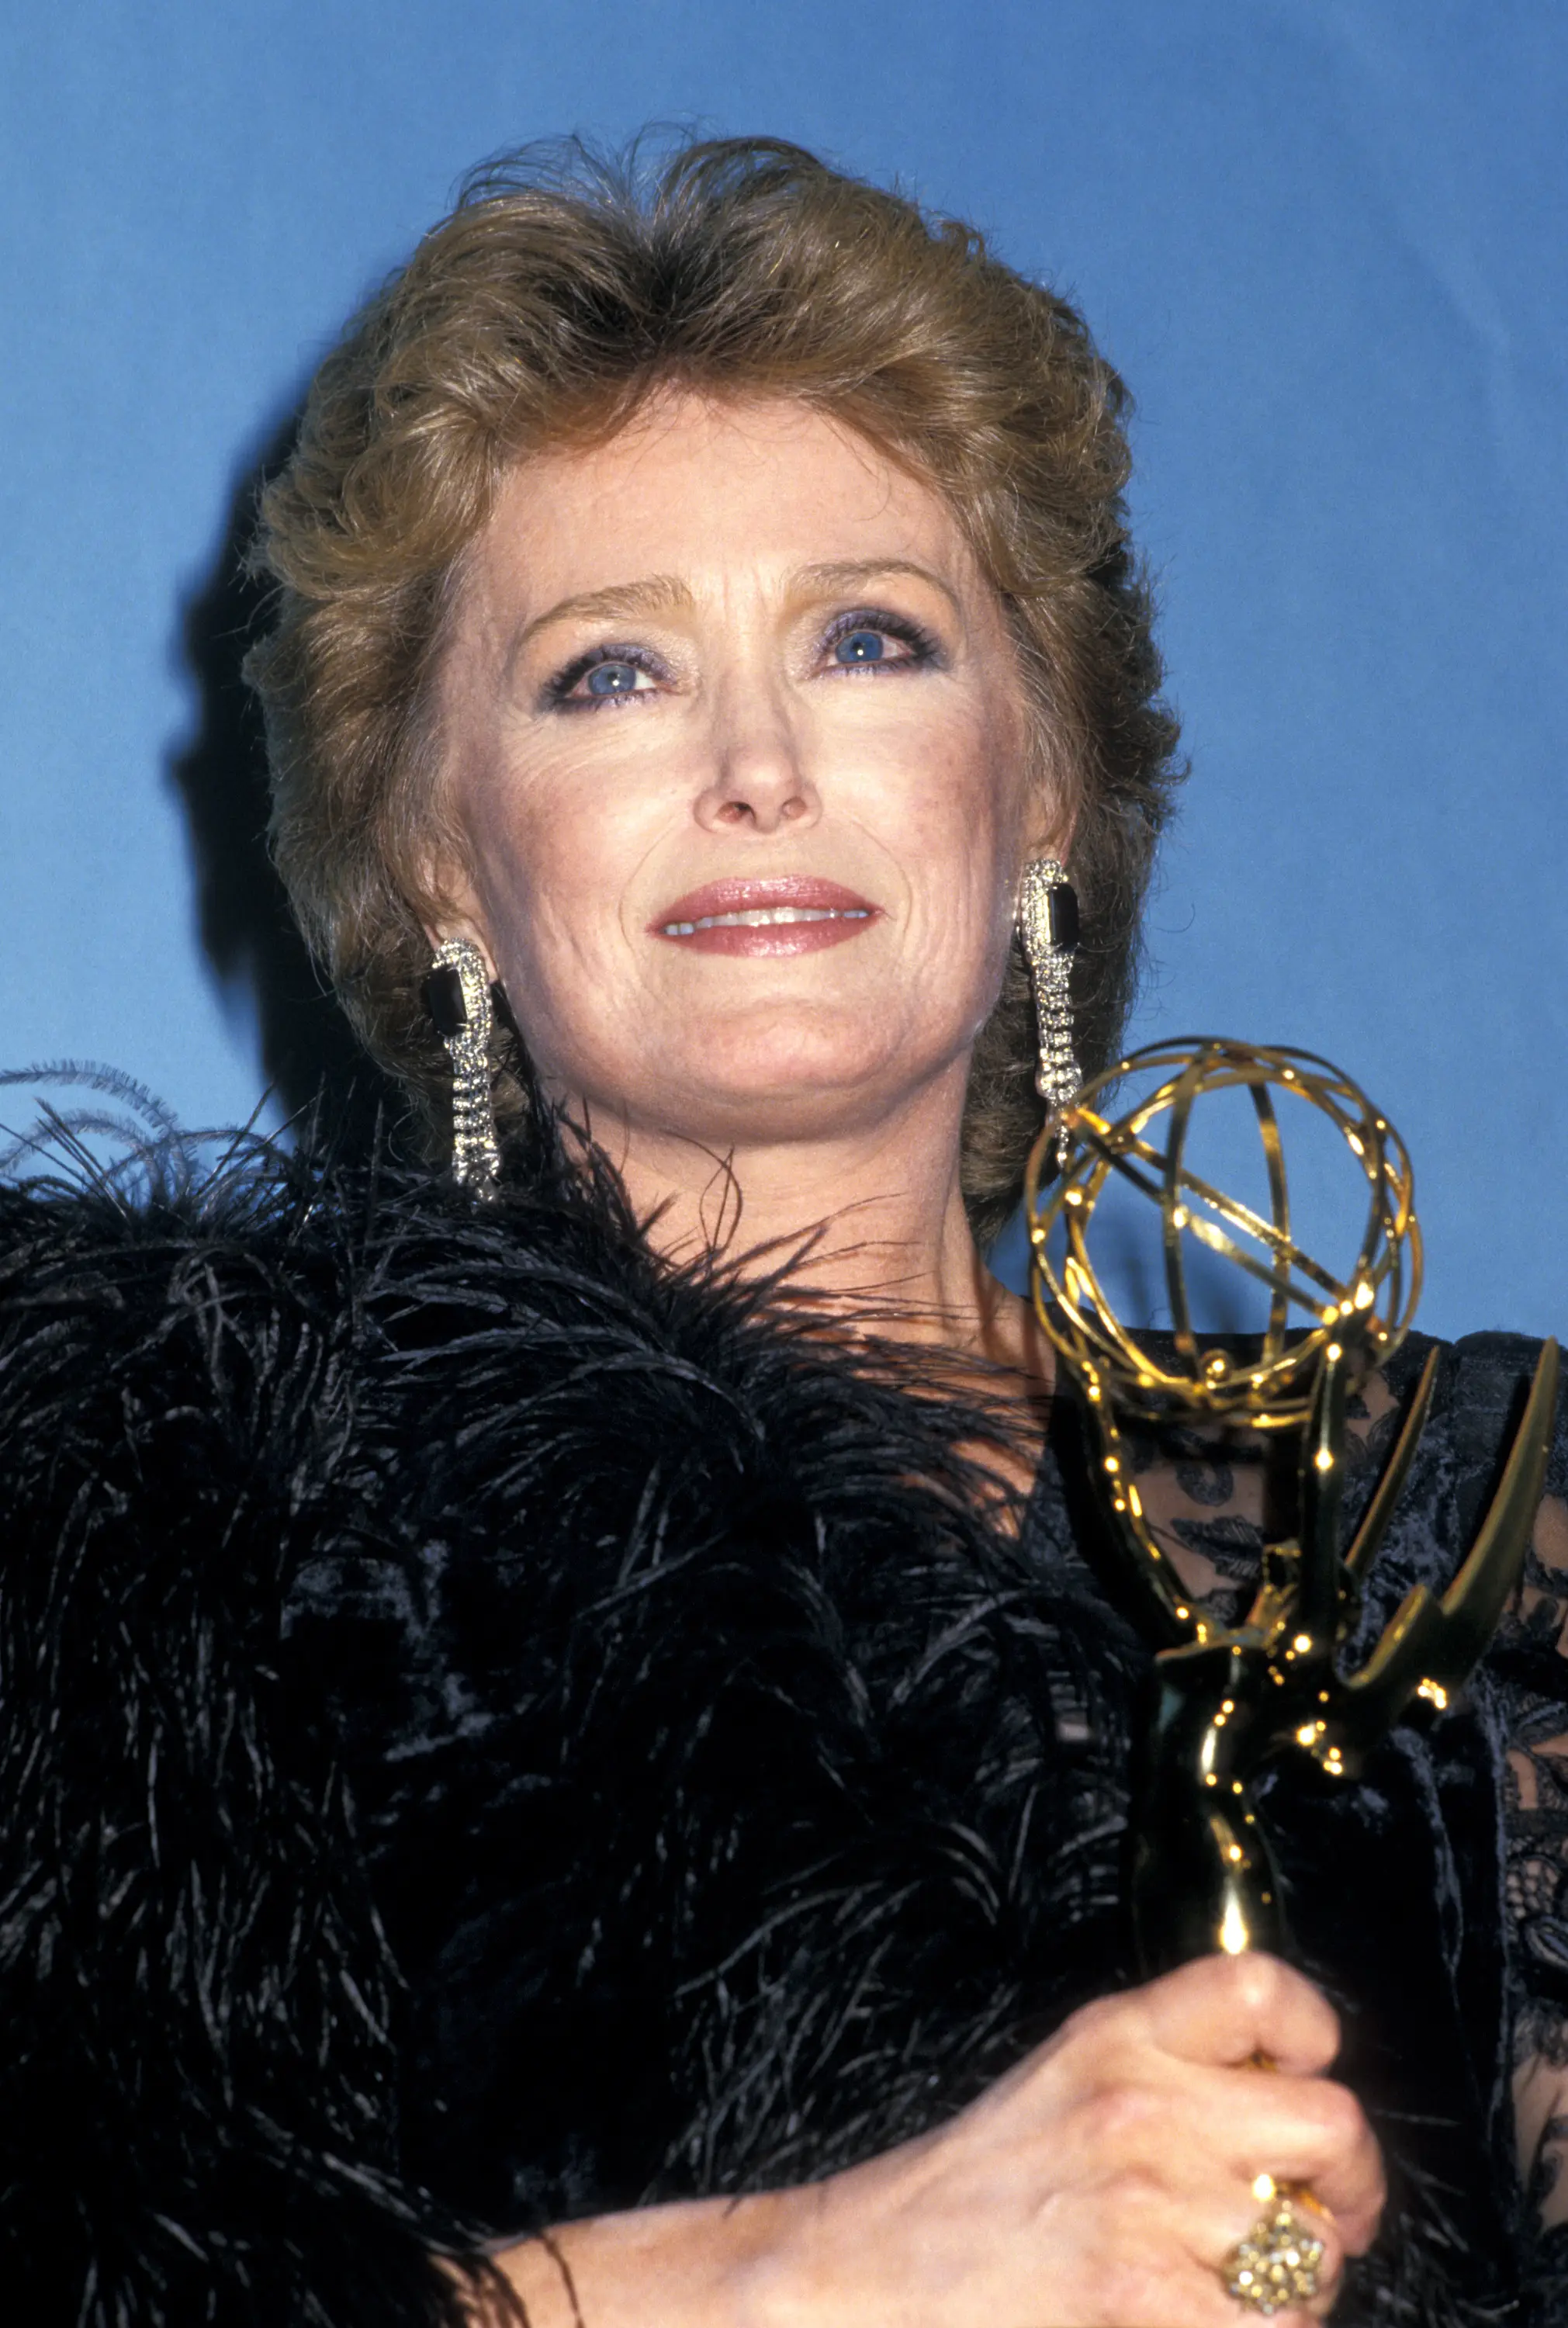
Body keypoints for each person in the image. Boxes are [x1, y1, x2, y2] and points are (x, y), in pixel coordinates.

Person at [3, 136, 1566, 2328]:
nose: (755, 763)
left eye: (866, 641)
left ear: (1037, 791)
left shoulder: (1463, 1521)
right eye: (608, 675)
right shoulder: (170, 1517)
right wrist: (810, 2269)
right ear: (439, 855)